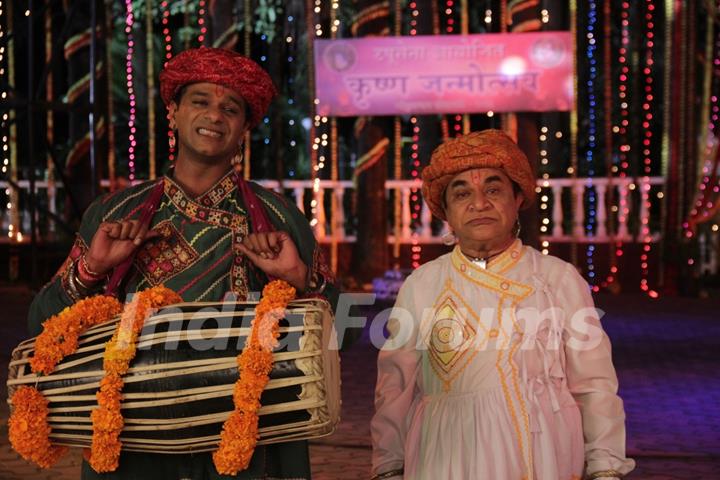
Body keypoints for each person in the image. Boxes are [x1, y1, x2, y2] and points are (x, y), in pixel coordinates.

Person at [27, 47, 337, 480]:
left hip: (248, 440)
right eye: (200, 102)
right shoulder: (117, 213)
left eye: (231, 108)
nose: (215, 116)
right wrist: (92, 268)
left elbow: (343, 334)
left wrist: (298, 278)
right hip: (133, 436)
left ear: (244, 127)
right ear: (172, 112)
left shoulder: (280, 219)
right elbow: (40, 323)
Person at [370, 130, 635, 480]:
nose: (479, 204)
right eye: (462, 193)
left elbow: (594, 383)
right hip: (447, 453)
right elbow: (395, 386)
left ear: (517, 198)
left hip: (545, 450)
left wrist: (605, 466)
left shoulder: (557, 279)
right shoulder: (423, 284)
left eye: (493, 190)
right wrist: (388, 464)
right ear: (446, 211)